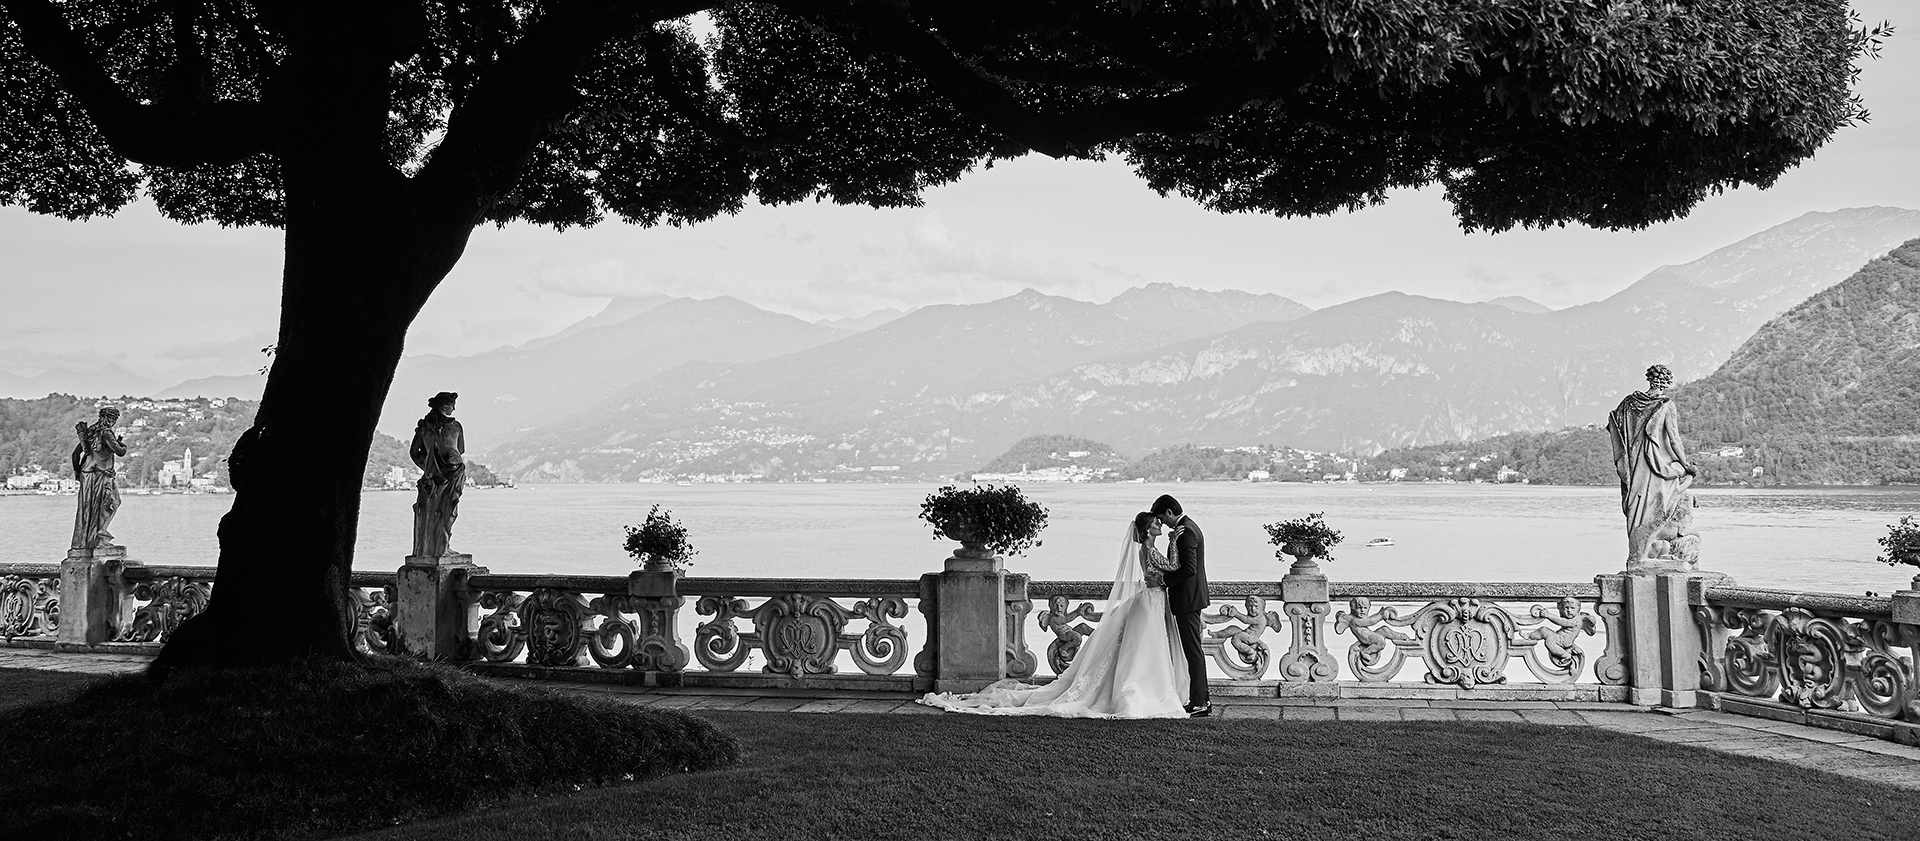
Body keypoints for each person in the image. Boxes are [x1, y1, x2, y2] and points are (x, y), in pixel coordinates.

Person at [917, 511, 1190, 718]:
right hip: (1151, 599)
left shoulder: (1147, 549)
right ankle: (1143, 688)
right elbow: (1174, 566)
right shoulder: (1150, 550)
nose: (1160, 526)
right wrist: (1176, 540)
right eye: (1156, 523)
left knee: (1144, 648)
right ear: (1146, 529)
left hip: (1152, 598)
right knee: (1144, 647)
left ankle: (1146, 684)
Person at [1605, 364, 1698, 566]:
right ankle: (1638, 560)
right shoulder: (1665, 404)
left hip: (1633, 469)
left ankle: (1641, 555)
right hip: (1653, 468)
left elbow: (1613, 425)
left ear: (1650, 380)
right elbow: (1674, 440)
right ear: (1665, 382)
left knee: (1636, 511)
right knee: (1654, 510)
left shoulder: (1628, 403)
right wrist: (1686, 465)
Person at [1154, 493, 1211, 717]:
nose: (1162, 523)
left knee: (1193, 652)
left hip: (1187, 599)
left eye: (1162, 517)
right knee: (1193, 650)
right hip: (1192, 597)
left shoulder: (1186, 532)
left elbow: (1188, 569)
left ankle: (1200, 703)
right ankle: (1201, 698)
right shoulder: (1188, 526)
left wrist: (1164, 581)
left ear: (1169, 512)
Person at [410, 391, 466, 558]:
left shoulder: (424, 427)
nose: (454, 408)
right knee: (449, 510)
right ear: (444, 405)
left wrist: (428, 466)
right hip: (453, 471)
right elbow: (461, 449)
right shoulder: (455, 426)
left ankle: (430, 548)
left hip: (432, 475)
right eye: (452, 404)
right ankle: (442, 546)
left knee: (430, 510)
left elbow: (414, 452)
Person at [69, 406, 127, 553]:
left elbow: (75, 455)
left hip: (86, 474)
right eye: (113, 419)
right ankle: (100, 533)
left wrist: (77, 473)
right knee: (113, 502)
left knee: (88, 509)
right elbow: (120, 452)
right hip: (100, 475)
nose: (113, 422)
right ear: (108, 418)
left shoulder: (90, 432)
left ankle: (86, 541)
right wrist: (122, 444)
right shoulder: (106, 433)